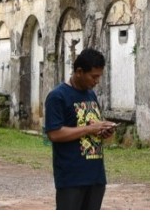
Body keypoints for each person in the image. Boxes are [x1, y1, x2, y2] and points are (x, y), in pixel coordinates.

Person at [44, 47, 115, 210]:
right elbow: (54, 134)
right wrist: (89, 129)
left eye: (99, 76)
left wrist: (103, 130)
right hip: (71, 178)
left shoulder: (91, 95)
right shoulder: (58, 96)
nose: (96, 81)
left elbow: (91, 126)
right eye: (94, 76)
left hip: (96, 176)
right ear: (79, 72)